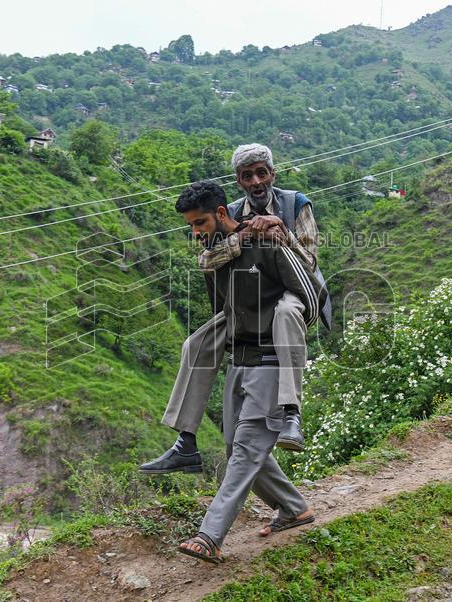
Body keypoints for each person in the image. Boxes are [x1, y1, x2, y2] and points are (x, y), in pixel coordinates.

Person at [139, 144, 331, 474]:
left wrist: (281, 233)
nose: (256, 181)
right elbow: (206, 260)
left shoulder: (294, 204)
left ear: (272, 174)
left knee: (286, 313)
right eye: (247, 176)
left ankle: (292, 415)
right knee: (196, 344)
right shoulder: (228, 213)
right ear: (238, 181)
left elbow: (310, 262)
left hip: (294, 293)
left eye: (261, 173)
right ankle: (186, 441)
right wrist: (242, 236)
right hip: (251, 301)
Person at [172, 181, 322, 564]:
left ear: (222, 214)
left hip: (272, 363)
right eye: (191, 226)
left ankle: (210, 535)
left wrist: (283, 324)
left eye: (201, 223)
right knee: (236, 447)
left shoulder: (268, 242)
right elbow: (222, 312)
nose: (196, 232)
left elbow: (309, 296)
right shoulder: (215, 260)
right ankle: (294, 508)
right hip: (240, 362)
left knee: (245, 451)